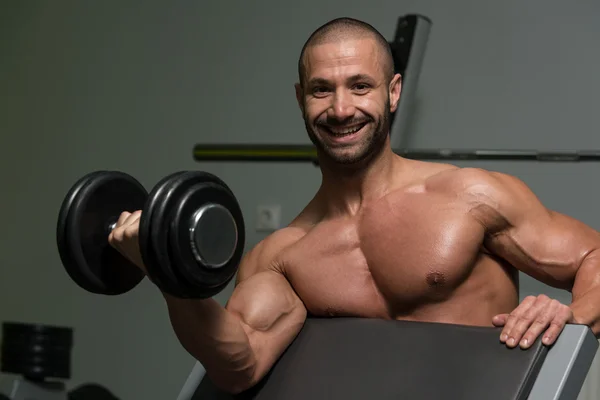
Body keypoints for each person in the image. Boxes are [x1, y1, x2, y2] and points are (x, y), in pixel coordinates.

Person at [109, 17, 600, 394]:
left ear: (393, 93)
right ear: (301, 99)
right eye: (322, 89)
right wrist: (168, 276)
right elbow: (239, 363)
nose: (341, 109)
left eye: (360, 86)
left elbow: (593, 257)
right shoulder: (282, 256)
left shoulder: (470, 197)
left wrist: (571, 318)